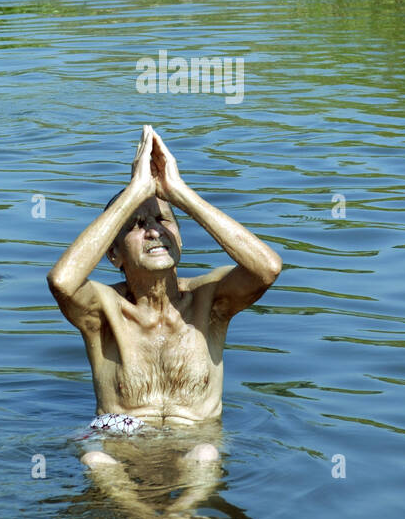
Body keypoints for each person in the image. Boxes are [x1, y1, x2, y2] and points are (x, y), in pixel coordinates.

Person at [48, 125, 282, 470]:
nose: (154, 231)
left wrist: (179, 192)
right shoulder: (104, 312)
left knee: (205, 455)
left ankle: (179, 516)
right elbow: (62, 282)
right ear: (114, 256)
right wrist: (135, 191)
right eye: (137, 225)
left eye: (163, 220)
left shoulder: (210, 301)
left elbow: (268, 268)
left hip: (195, 449)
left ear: (180, 241)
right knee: (95, 459)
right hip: (121, 452)